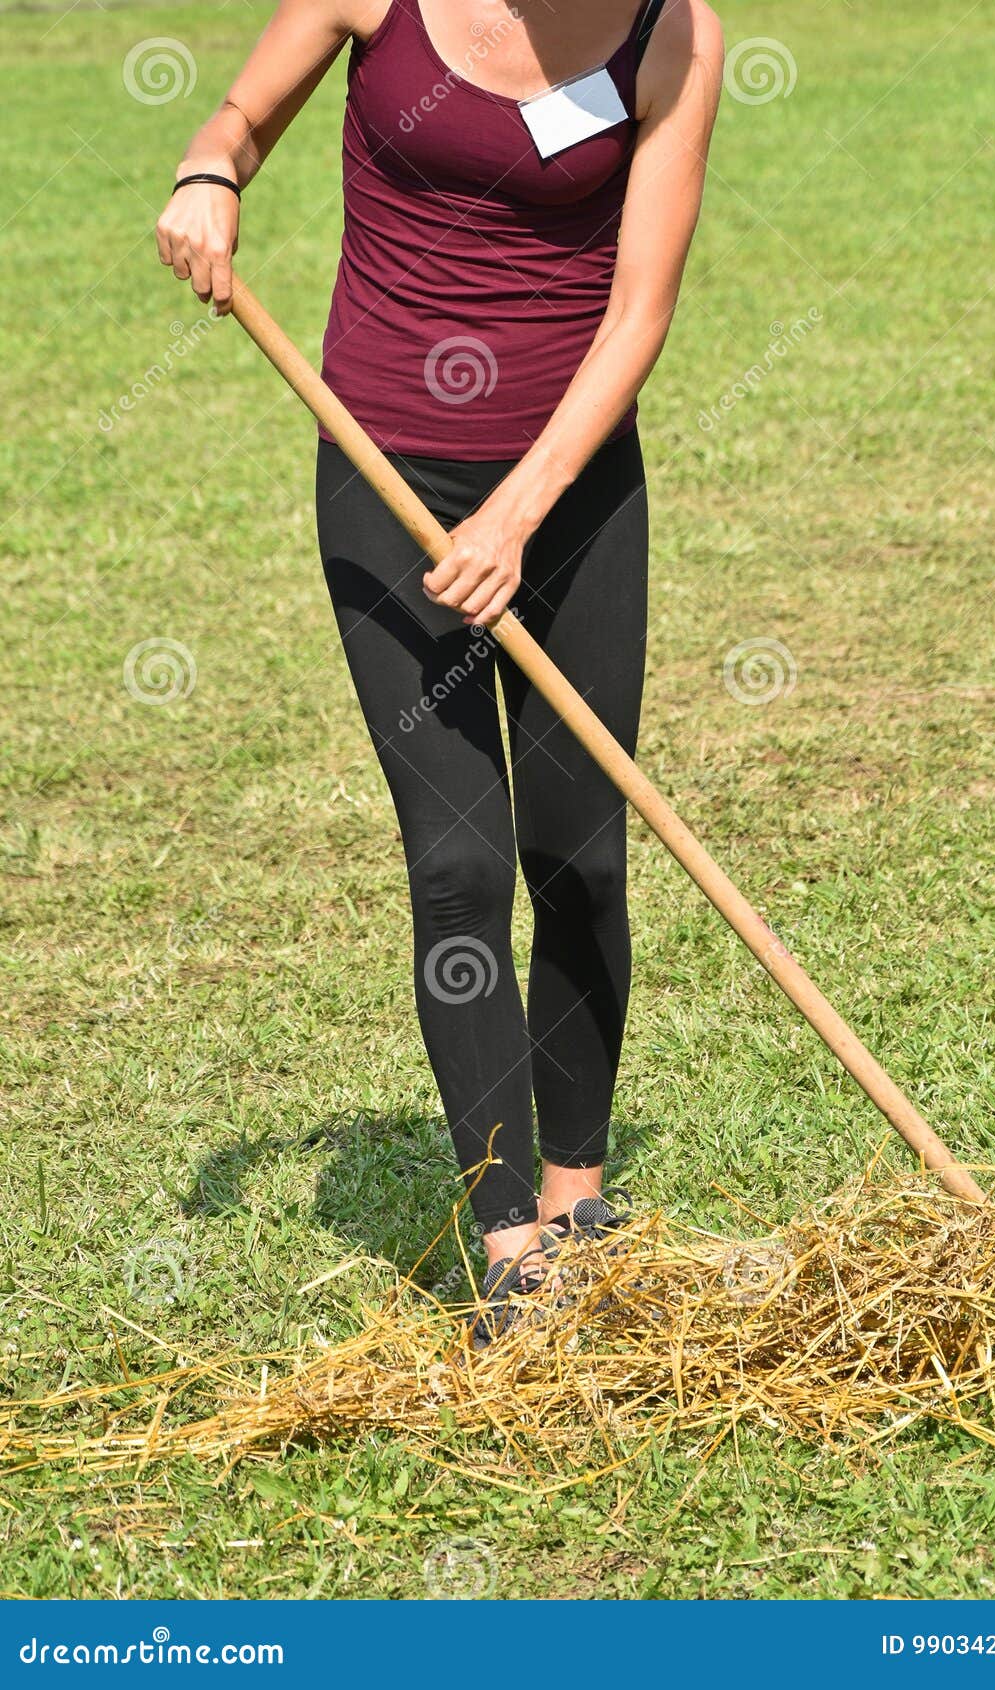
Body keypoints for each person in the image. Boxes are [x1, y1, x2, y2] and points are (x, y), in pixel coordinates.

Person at [156, 0, 723, 1335]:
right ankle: (511, 1238)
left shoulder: (671, 36)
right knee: (458, 859)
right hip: (384, 475)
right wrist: (207, 174)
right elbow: (237, 122)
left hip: (571, 497)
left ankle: (579, 1198)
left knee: (581, 853)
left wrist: (522, 514)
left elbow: (639, 309)